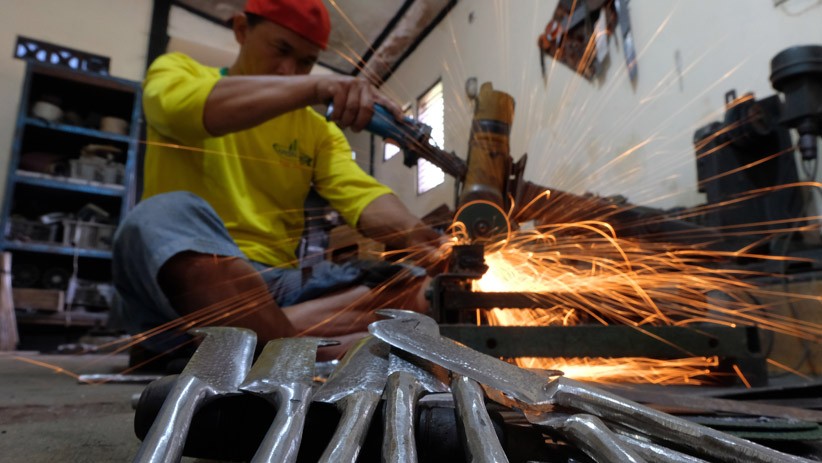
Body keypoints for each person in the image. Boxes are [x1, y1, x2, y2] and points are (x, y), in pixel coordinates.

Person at [112, 0, 444, 370]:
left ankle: (246, 343)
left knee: (419, 287)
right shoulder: (177, 72)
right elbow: (186, 111)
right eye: (281, 49)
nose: (290, 71)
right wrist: (317, 86)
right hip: (206, 276)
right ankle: (303, 347)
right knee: (158, 217)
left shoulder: (317, 131)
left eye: (305, 62)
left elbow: (361, 195)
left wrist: (417, 236)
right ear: (241, 30)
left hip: (281, 289)